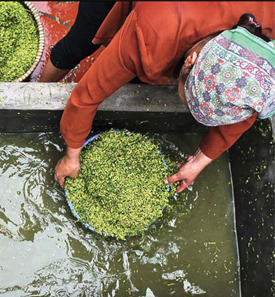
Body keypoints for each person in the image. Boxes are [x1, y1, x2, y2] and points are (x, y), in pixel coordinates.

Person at [51, 2, 275, 192]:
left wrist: (198, 162)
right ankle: (41, 82)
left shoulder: (262, 49)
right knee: (79, 42)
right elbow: (87, 95)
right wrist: (71, 157)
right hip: (165, 16)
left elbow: (244, 110)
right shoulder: (152, 32)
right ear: (190, 62)